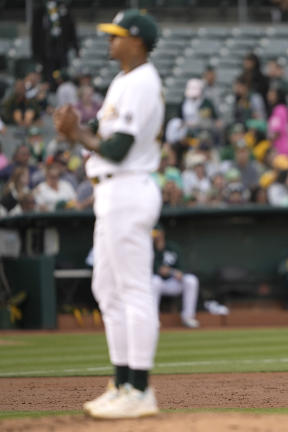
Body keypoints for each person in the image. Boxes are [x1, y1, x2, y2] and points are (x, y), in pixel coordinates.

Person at [53, 9, 163, 419]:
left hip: (129, 184)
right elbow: (101, 139)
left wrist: (75, 132)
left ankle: (139, 388)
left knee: (132, 289)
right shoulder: (123, 81)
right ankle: (121, 383)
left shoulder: (141, 81)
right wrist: (78, 131)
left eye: (117, 36)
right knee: (107, 289)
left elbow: (116, 147)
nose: (109, 42)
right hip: (111, 191)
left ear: (136, 40)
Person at [151, 225, 200, 328]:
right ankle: (153, 319)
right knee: (155, 281)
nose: (156, 236)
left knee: (191, 280)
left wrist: (177, 272)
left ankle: (188, 317)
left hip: (173, 282)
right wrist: (168, 271)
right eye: (154, 234)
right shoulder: (149, 249)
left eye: (157, 233)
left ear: (162, 233)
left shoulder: (173, 247)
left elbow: (182, 267)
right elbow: (156, 269)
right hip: (157, 284)